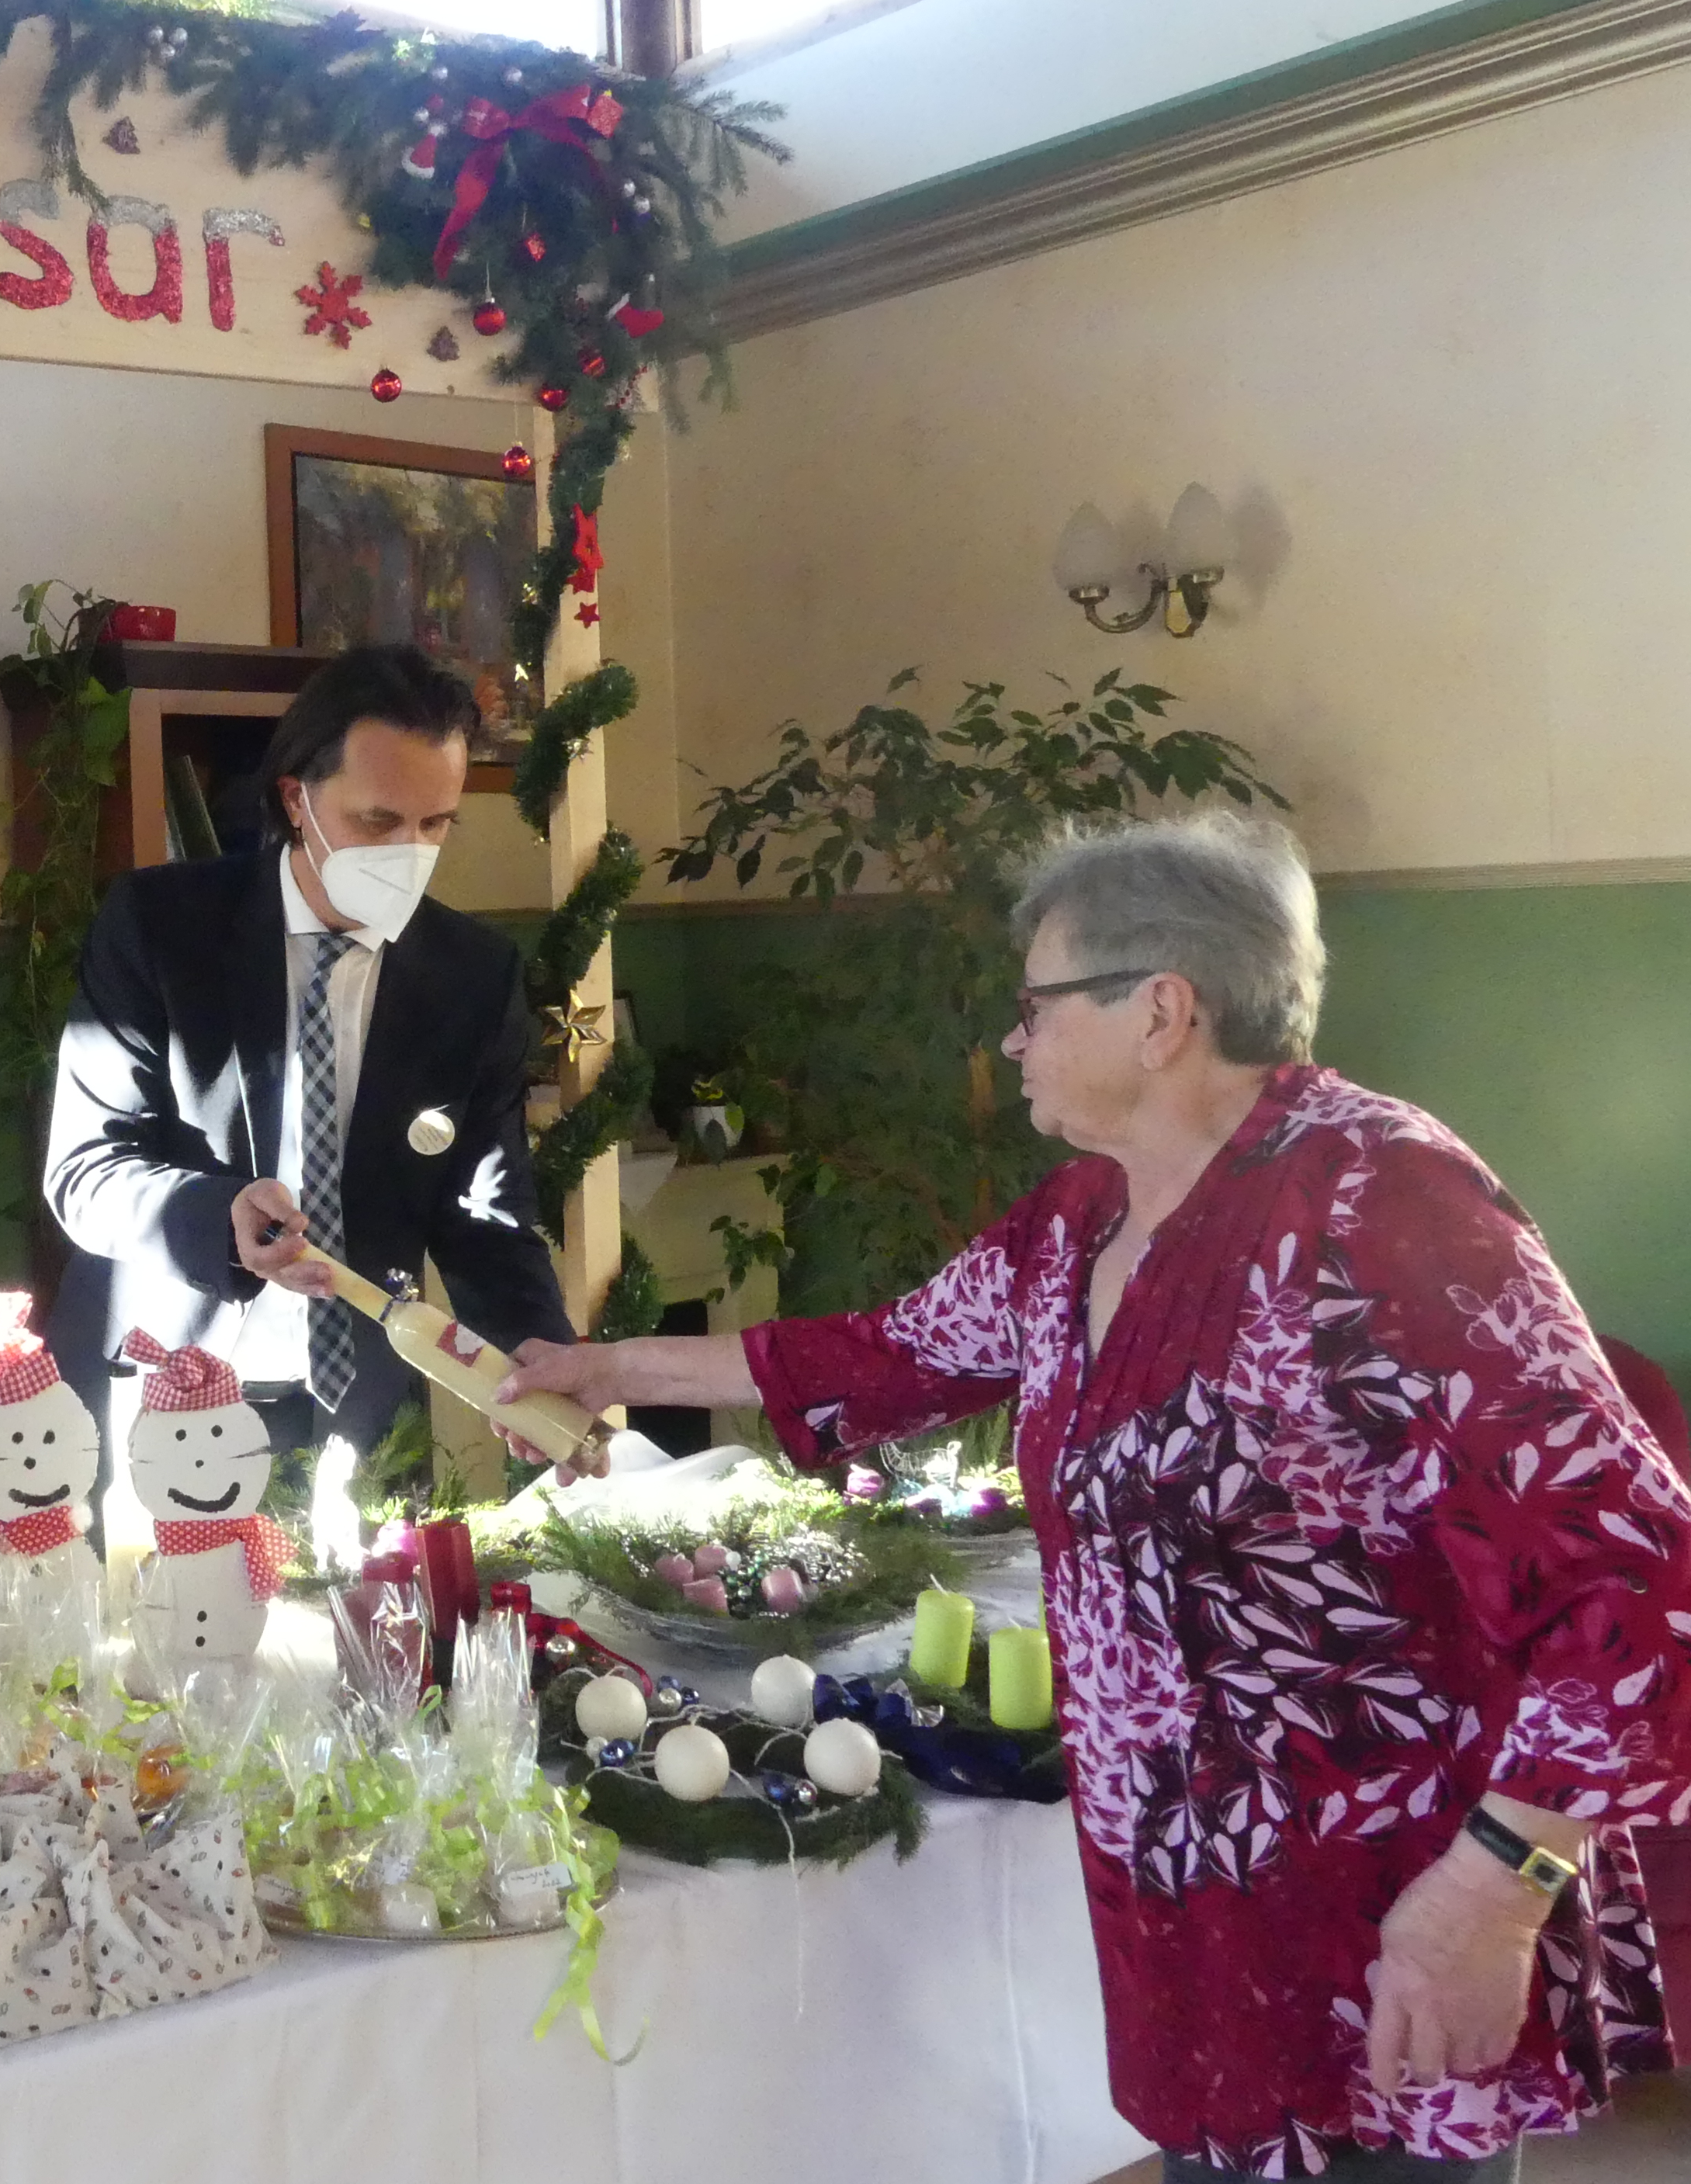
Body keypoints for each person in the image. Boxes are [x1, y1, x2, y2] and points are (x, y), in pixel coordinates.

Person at [503, 813, 1691, 2180]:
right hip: (1193, 1914)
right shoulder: (1084, 1218)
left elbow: (1639, 1572)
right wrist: (606, 1369)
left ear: (1162, 1012)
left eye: (1036, 1006)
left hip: (1395, 1903)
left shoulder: (1380, 1199)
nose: (1013, 1042)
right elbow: (882, 1355)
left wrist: (1496, 1891)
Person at [40, 644, 574, 1499]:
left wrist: (544, 1368)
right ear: (296, 799)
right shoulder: (161, 929)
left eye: (435, 824)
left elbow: (486, 1216)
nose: (408, 851)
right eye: (377, 821)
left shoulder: (473, 977)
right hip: (166, 1395)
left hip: (359, 1416)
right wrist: (220, 1218)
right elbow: (85, 1173)